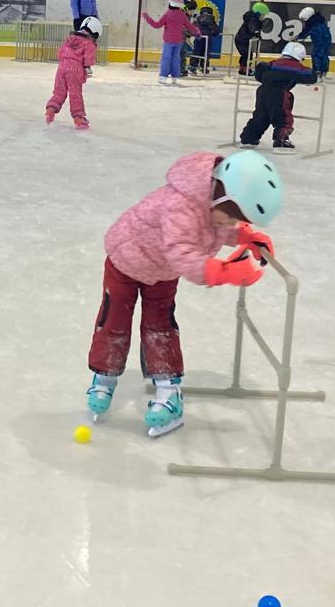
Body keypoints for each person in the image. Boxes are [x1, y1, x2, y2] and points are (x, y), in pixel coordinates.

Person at [85, 150, 282, 436]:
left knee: (160, 327)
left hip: (162, 272)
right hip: (125, 261)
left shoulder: (211, 199)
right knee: (113, 319)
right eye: (231, 217)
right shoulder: (180, 205)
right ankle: (103, 377)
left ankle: (169, 391)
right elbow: (181, 251)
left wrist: (246, 236)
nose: (230, 224)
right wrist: (223, 271)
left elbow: (214, 227)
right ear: (221, 197)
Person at [240, 41, 316, 153]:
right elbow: (310, 76)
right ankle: (281, 140)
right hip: (279, 93)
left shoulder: (273, 63)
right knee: (283, 117)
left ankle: (248, 139)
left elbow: (259, 72)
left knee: (261, 116)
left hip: (263, 91)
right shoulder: (294, 66)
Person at [46, 16, 99, 130]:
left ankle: (50, 110)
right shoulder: (89, 43)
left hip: (62, 67)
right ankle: (78, 118)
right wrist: (87, 68)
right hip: (75, 69)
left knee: (59, 92)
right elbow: (88, 59)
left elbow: (60, 53)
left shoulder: (69, 39)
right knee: (75, 93)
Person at [142, 0, 197, 85]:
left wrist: (147, 18)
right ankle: (175, 77)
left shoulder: (168, 14)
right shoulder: (182, 15)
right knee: (176, 58)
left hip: (169, 40)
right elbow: (189, 26)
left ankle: (163, 76)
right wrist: (197, 32)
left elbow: (157, 25)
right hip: (179, 40)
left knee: (166, 58)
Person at [235, 1, 268, 76]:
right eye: (263, 15)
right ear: (259, 13)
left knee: (245, 54)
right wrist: (256, 33)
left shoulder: (252, 18)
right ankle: (246, 69)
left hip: (242, 39)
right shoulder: (253, 19)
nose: (263, 17)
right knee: (248, 55)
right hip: (242, 39)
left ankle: (242, 69)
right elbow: (252, 27)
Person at [299, 6, 332, 79]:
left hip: (320, 41)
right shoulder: (319, 21)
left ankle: (317, 72)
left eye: (303, 19)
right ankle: (324, 71)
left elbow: (306, 32)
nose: (303, 22)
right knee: (324, 55)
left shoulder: (312, 23)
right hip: (327, 39)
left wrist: (298, 37)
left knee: (316, 55)